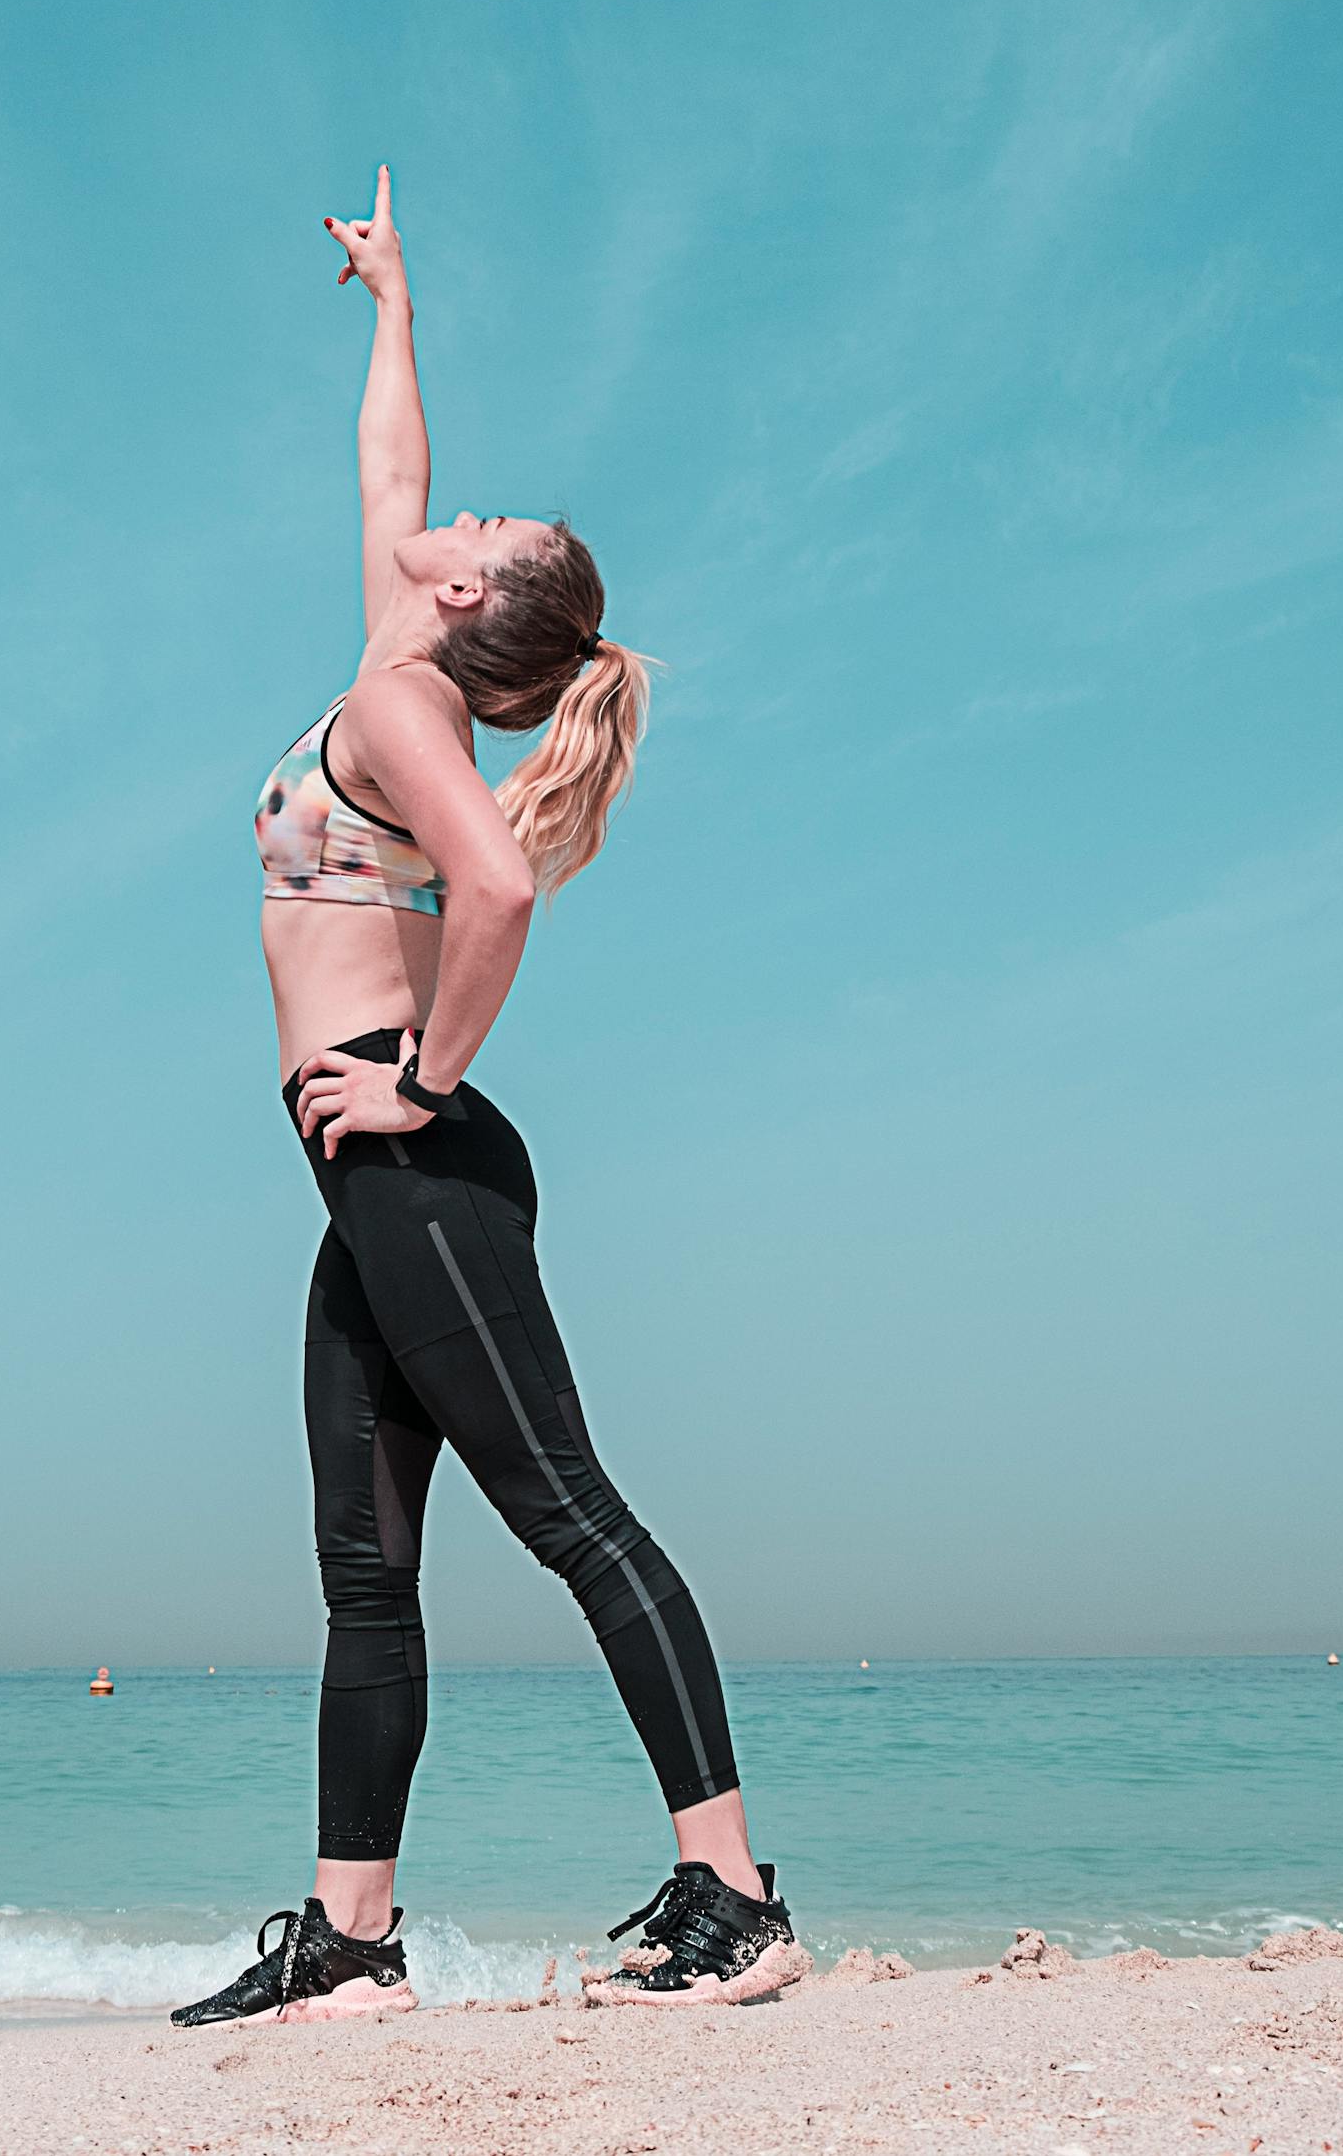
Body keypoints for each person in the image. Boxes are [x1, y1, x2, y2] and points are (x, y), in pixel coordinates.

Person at [171, 169, 804, 2029]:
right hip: (377, 1175)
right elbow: (388, 475)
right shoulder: (400, 651)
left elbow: (504, 892)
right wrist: (393, 309)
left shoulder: (400, 716)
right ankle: (351, 1942)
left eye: (479, 523)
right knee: (364, 1567)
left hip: (414, 1154)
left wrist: (421, 1085)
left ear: (469, 592)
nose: (450, 510)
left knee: (570, 1514)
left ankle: (737, 1896)